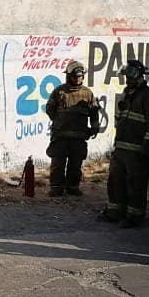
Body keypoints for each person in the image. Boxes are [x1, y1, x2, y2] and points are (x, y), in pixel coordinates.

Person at [100, 60, 149, 227]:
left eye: (129, 77)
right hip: (121, 147)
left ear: (139, 76)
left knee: (135, 183)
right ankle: (115, 211)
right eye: (126, 77)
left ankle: (134, 216)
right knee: (115, 180)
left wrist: (146, 146)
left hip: (136, 149)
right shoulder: (127, 94)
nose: (127, 80)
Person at [43, 61, 99, 196]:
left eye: (80, 76)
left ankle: (72, 187)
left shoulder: (87, 94)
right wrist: (59, 122)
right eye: (75, 76)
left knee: (75, 164)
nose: (78, 79)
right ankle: (56, 188)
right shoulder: (59, 92)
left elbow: (94, 112)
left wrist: (94, 128)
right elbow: (49, 109)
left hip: (78, 137)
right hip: (60, 136)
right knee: (58, 163)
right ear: (69, 76)